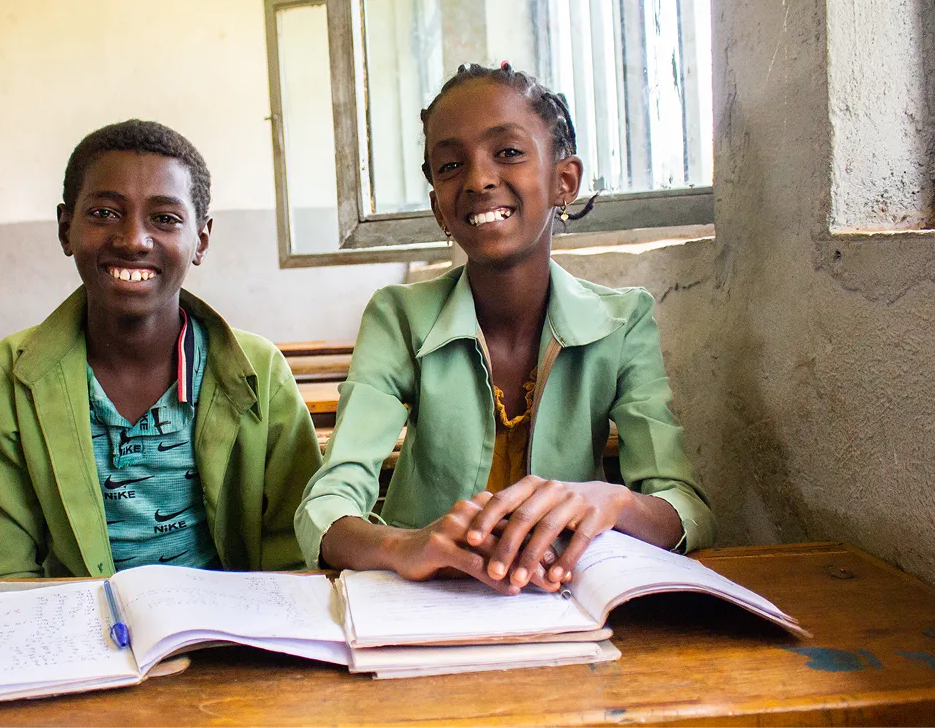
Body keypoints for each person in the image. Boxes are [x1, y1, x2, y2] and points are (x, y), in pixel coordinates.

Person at [296, 63, 714, 594]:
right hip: (426, 605)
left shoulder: (621, 322)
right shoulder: (399, 317)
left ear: (564, 181)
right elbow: (328, 502)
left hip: (563, 596)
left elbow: (685, 508)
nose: (477, 179)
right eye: (449, 166)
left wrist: (612, 501)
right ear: (439, 210)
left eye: (509, 152)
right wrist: (405, 546)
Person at [0, 120, 322, 578]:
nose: (133, 239)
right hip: (78, 635)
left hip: (226, 637)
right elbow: (7, 569)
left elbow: (291, 552)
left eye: (166, 219)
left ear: (201, 240)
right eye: (104, 213)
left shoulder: (259, 371)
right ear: (65, 228)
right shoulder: (12, 374)